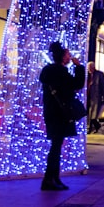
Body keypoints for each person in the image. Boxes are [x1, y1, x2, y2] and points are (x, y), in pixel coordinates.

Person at [38, 41, 85, 191]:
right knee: (56, 147)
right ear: (63, 57)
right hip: (60, 113)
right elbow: (77, 84)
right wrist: (79, 67)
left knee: (56, 146)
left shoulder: (48, 70)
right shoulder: (61, 72)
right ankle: (49, 179)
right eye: (68, 55)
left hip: (52, 112)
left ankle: (54, 178)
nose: (70, 56)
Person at [86, 59, 104, 133]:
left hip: (96, 96)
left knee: (93, 114)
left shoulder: (99, 74)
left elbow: (103, 86)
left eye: (90, 68)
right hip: (88, 96)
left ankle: (90, 128)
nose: (89, 69)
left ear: (93, 67)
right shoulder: (87, 75)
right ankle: (95, 126)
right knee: (88, 113)